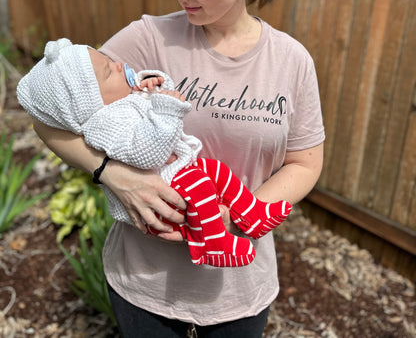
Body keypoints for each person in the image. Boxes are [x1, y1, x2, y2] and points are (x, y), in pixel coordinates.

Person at [32, 0, 325, 337]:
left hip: (240, 288)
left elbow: (305, 161)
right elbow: (48, 115)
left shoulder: (291, 60)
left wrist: (236, 216)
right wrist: (112, 172)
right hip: (144, 286)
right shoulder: (147, 38)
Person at [17, 37, 292, 268]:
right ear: (88, 102)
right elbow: (148, 154)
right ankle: (212, 244)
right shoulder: (104, 123)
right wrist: (167, 110)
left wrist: (157, 87)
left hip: (177, 173)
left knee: (215, 171)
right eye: (108, 72)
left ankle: (251, 212)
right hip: (163, 198)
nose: (118, 64)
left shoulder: (122, 100)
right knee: (200, 184)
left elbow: (153, 107)